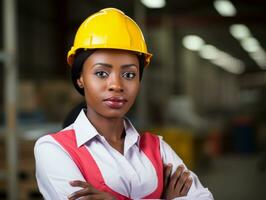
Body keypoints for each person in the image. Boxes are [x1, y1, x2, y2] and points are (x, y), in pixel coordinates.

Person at [34, 8, 213, 200]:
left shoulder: (157, 148)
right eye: (101, 73)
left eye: (129, 74)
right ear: (80, 79)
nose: (116, 85)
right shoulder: (53, 149)